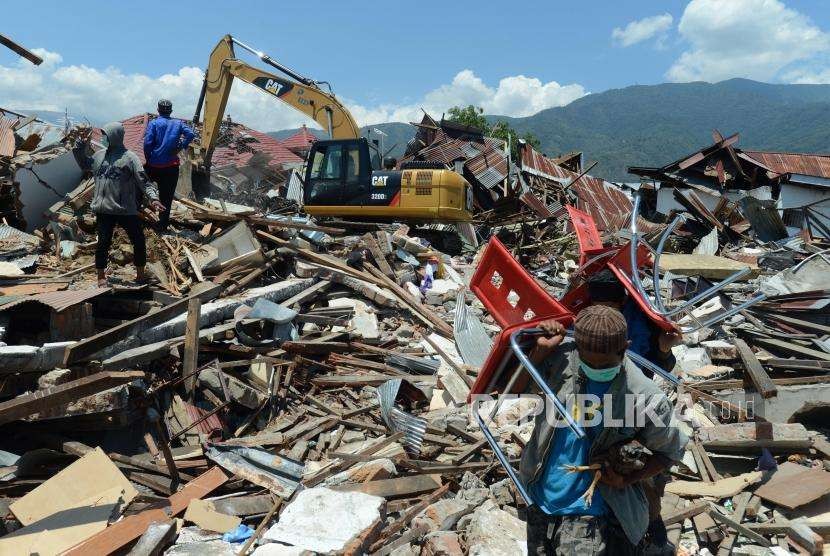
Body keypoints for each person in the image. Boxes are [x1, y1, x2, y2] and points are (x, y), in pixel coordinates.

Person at [520, 306, 687, 555]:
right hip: (540, 496)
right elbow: (513, 388)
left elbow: (669, 452)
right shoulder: (561, 361)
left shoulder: (644, 396)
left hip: (590, 512)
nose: (597, 368)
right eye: (588, 362)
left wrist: (626, 480)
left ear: (625, 347)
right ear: (576, 346)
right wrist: (540, 352)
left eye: (606, 362)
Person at [74, 123, 164, 287]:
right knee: (103, 242)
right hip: (103, 209)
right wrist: (79, 147)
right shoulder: (99, 156)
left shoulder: (130, 157)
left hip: (125, 209)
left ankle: (140, 274)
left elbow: (143, 180)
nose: (103, 139)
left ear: (114, 136)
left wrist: (154, 198)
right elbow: (84, 164)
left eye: (105, 135)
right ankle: (101, 276)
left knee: (138, 240)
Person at [587, 269, 679, 374]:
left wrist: (664, 351)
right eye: (597, 307)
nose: (602, 314)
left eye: (609, 307)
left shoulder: (646, 322)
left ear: (624, 301)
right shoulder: (587, 321)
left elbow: (665, 368)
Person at [143, 99, 195, 232]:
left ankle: (139, 216)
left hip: (153, 166)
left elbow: (147, 143)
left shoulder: (154, 123)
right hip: (171, 168)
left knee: (141, 188)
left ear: (158, 110)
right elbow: (191, 134)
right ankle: (162, 225)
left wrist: (149, 159)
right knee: (166, 197)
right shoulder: (178, 123)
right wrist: (181, 146)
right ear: (171, 111)